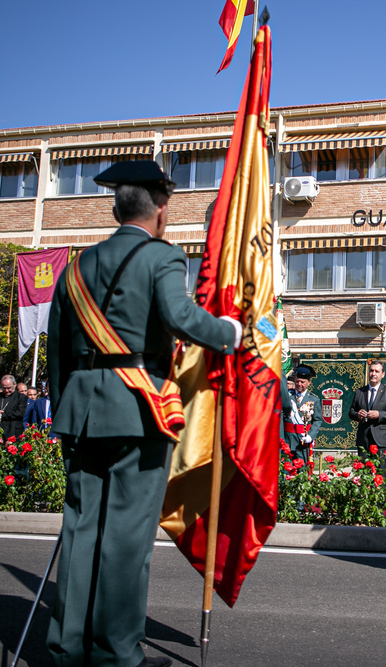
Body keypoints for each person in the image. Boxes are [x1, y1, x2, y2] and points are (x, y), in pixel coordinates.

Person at [46, 160, 241, 667]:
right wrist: (230, 332)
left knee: (81, 532)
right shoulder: (162, 257)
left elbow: (59, 354)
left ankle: (67, 649)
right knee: (127, 539)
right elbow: (180, 318)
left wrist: (65, 409)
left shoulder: (76, 265)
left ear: (115, 207)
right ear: (160, 208)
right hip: (138, 408)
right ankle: (116, 654)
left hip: (82, 410)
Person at [349, 360, 386, 465]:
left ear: (383, 374)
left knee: (381, 475)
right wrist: (358, 414)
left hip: (382, 440)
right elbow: (351, 412)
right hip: (364, 439)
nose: (373, 374)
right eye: (371, 371)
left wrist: (379, 414)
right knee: (364, 474)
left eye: (377, 371)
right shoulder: (360, 392)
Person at [285, 364, 323, 463]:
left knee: (302, 472)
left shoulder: (314, 399)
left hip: (302, 441)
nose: (299, 384)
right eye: (297, 381)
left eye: (302, 382)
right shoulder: (287, 396)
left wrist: (310, 436)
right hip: (287, 439)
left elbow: (317, 420)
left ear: (309, 382)